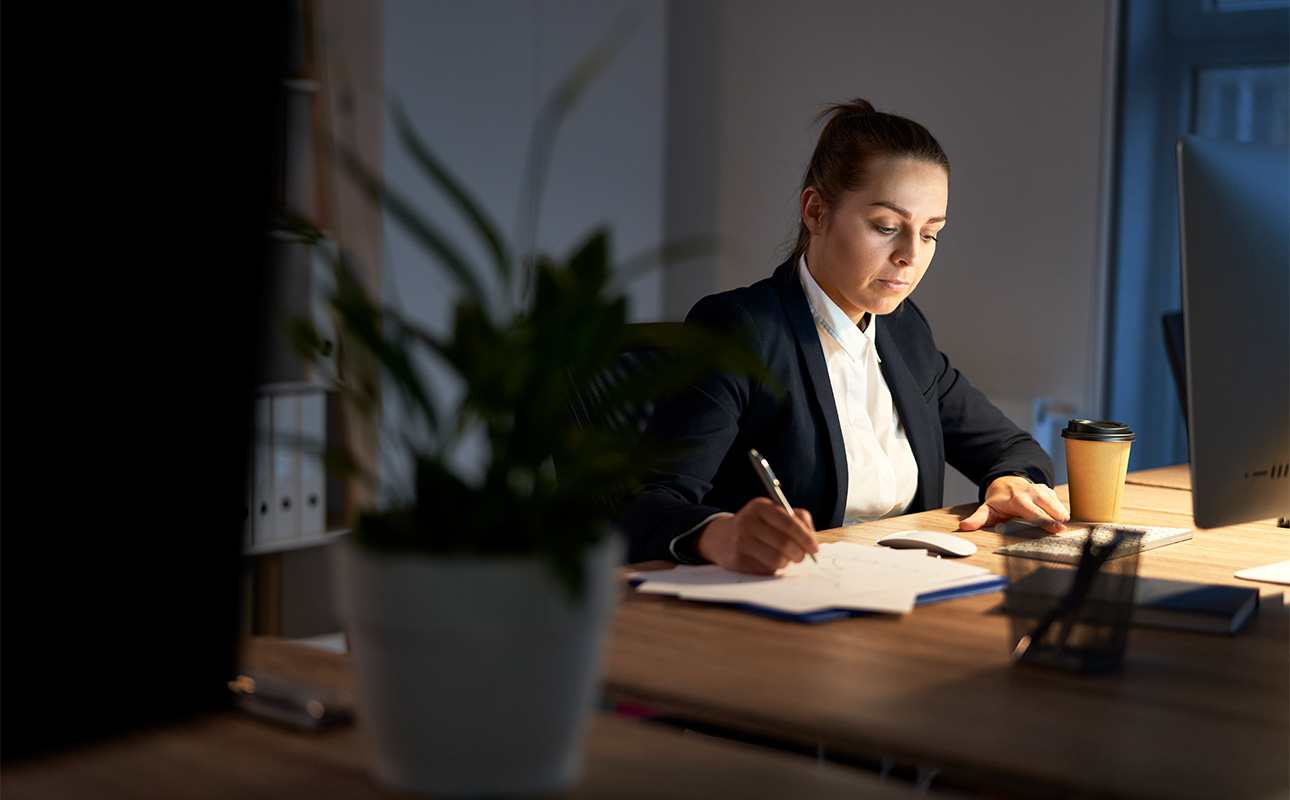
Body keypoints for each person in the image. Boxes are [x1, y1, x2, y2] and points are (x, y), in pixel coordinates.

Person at [621, 98, 1070, 574]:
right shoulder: (740, 330)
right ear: (816, 212)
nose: (910, 255)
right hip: (779, 606)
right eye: (886, 226)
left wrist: (1011, 480)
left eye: (930, 233)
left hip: (899, 591)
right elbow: (646, 504)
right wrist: (720, 534)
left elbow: (1014, 448)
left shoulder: (904, 330)